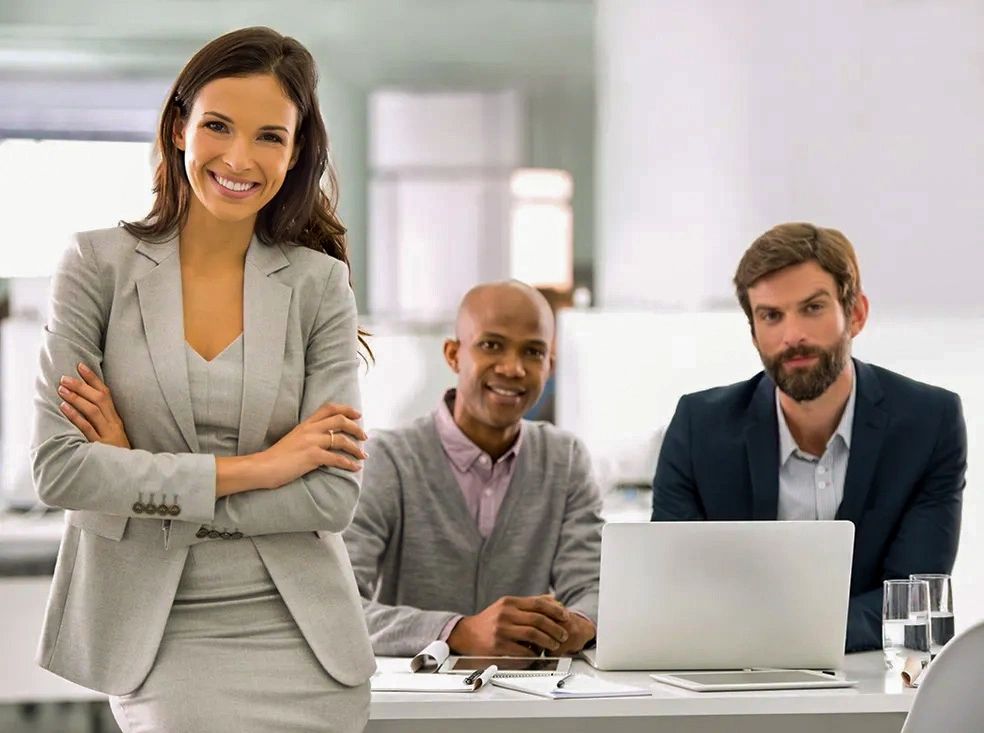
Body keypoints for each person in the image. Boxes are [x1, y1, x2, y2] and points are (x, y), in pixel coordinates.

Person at [31, 27, 374, 732]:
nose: (240, 157)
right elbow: (61, 470)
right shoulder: (96, 266)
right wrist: (266, 467)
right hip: (159, 638)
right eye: (218, 125)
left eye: (270, 136)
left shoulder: (319, 284)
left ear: (298, 149)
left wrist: (134, 473)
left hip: (305, 644)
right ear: (180, 126)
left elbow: (333, 494)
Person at [651, 222, 966, 652]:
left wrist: (775, 633)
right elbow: (676, 587)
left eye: (813, 308)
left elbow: (916, 603)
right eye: (771, 316)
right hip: (733, 689)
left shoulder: (930, 422)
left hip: (874, 691)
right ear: (753, 330)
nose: (792, 335)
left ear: (855, 315)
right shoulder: (698, 427)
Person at [344, 281, 603, 657]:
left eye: (533, 352)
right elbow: (338, 604)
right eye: (492, 345)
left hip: (531, 704)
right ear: (453, 355)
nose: (513, 368)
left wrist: (580, 622)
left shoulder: (565, 461)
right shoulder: (390, 459)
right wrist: (456, 632)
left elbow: (593, 587)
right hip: (418, 704)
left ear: (549, 366)